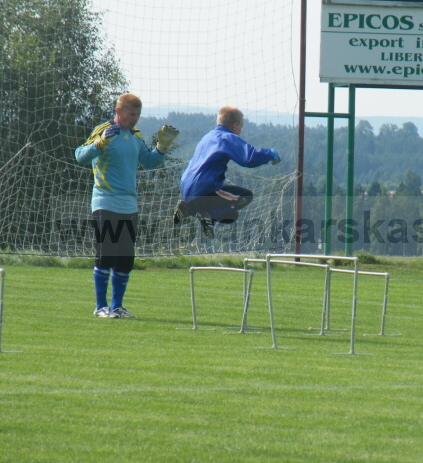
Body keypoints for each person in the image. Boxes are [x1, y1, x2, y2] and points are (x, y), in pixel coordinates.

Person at [75, 94, 178, 318]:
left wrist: (162, 147)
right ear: (119, 112)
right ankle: (100, 307)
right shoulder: (103, 130)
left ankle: (117, 307)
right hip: (105, 201)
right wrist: (98, 144)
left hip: (129, 205)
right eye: (132, 114)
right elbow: (80, 156)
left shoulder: (135, 136)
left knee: (125, 258)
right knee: (106, 254)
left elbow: (150, 162)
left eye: (138, 115)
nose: (135, 119)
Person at [174, 106, 280, 238]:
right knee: (242, 200)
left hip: (186, 188)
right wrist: (270, 154)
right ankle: (208, 216)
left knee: (230, 215)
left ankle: (189, 209)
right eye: (241, 127)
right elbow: (249, 159)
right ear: (234, 126)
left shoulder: (208, 137)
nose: (240, 131)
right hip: (205, 188)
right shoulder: (227, 137)